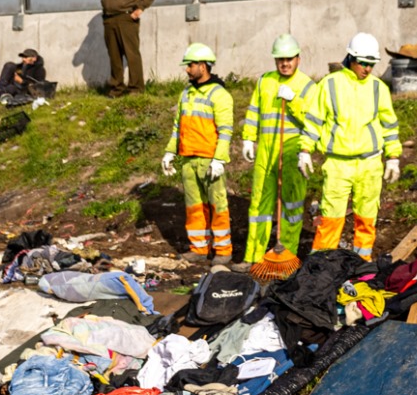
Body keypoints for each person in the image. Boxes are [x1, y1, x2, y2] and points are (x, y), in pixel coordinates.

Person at [299, 32, 402, 260]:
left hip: (370, 162)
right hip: (338, 163)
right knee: (330, 220)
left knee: (366, 219)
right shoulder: (330, 85)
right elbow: (314, 120)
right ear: (351, 59)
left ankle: (360, 268)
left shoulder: (378, 88)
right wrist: (305, 150)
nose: (367, 69)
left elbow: (389, 124)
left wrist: (393, 156)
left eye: (371, 64)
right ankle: (320, 269)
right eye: (363, 63)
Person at [239, 34, 316, 268]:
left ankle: (287, 257)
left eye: (289, 59)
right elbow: (254, 111)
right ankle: (253, 256)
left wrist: (293, 100)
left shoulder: (307, 86)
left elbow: (312, 120)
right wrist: (248, 139)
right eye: (280, 59)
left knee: (291, 206)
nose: (285, 63)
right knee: (259, 206)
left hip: (292, 152)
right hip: (266, 151)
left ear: (298, 59)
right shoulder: (265, 81)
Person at [163, 43, 235, 265]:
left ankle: (223, 252)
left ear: (203, 66)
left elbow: (225, 132)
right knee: (194, 207)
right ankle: (199, 248)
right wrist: (169, 152)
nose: (187, 69)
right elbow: (178, 127)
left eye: (191, 65)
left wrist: (218, 160)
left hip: (208, 160)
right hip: (188, 160)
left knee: (218, 206)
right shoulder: (186, 93)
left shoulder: (219, 95)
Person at [90, 0, 157, 98]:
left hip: (127, 18)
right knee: (114, 56)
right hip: (109, 20)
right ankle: (116, 88)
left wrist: (140, 8)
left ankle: (135, 89)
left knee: (131, 54)